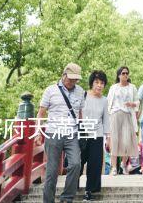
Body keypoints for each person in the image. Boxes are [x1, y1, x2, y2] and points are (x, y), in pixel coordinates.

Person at [37, 63, 85, 203]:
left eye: (76, 79)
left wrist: (82, 130)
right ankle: (48, 200)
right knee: (52, 171)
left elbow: (80, 113)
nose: (73, 82)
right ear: (64, 75)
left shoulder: (80, 91)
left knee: (76, 164)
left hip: (72, 134)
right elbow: (41, 113)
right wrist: (38, 132)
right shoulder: (50, 90)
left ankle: (67, 198)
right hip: (54, 134)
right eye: (71, 79)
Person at [81, 70, 110, 200]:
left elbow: (106, 119)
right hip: (81, 133)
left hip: (97, 134)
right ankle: (73, 185)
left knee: (95, 163)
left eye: (102, 83)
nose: (99, 85)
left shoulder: (104, 100)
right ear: (92, 83)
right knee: (78, 162)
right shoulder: (83, 95)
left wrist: (108, 138)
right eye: (96, 82)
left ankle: (89, 190)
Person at [106, 66, 138, 175]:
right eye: (123, 73)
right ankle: (114, 167)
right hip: (115, 115)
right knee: (114, 141)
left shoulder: (132, 87)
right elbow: (108, 103)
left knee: (126, 142)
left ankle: (123, 164)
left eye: (127, 73)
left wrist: (132, 104)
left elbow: (137, 102)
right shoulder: (113, 87)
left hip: (127, 115)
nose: (125, 75)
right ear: (119, 75)